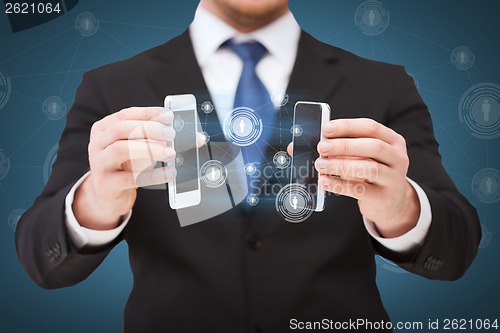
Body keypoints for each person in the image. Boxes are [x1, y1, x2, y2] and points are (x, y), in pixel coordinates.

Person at [15, 0, 481, 332]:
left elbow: (456, 249)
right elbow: (41, 260)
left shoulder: (384, 85)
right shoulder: (110, 86)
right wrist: (96, 201)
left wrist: (402, 208)